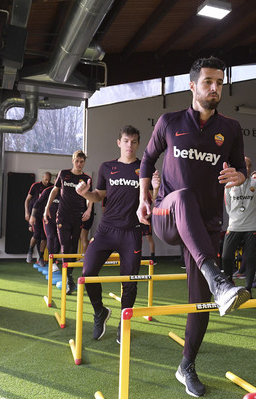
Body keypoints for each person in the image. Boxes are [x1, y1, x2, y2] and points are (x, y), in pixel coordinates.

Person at [137, 56, 250, 397]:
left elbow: (241, 169)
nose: (215, 88)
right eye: (208, 82)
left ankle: (186, 364)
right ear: (192, 86)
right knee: (183, 196)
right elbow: (146, 160)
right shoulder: (169, 121)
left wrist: (239, 176)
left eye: (219, 82)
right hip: (166, 215)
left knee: (200, 303)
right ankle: (219, 279)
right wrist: (144, 197)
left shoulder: (230, 129)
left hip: (206, 225)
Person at [75, 125, 160, 343]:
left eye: (133, 142)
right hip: (106, 230)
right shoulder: (107, 167)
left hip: (131, 232)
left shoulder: (145, 168)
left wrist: (157, 189)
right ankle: (100, 311)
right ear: (119, 142)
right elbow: (98, 195)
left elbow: (152, 202)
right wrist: (86, 194)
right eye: (125, 141)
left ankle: (124, 320)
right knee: (88, 271)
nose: (129, 145)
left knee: (129, 281)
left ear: (138, 144)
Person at [44, 151, 93, 294]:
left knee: (73, 247)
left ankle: (69, 276)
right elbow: (55, 190)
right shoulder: (63, 174)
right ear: (72, 161)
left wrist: (89, 209)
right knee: (65, 246)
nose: (79, 164)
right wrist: (47, 207)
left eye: (82, 162)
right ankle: (68, 279)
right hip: (63, 216)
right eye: (77, 161)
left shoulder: (86, 178)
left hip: (77, 217)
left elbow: (89, 196)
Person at [221, 156, 256, 297]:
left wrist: (253, 220)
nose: (245, 168)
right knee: (226, 256)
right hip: (234, 225)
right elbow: (227, 206)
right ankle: (229, 284)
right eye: (242, 165)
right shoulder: (229, 184)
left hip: (252, 226)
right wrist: (236, 218)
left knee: (251, 258)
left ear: (250, 167)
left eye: (247, 165)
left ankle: (248, 289)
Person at [24, 172, 52, 263]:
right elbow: (27, 200)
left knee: (44, 236)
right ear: (42, 177)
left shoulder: (51, 187)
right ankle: (30, 252)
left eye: (49, 180)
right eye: (45, 179)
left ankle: (40, 257)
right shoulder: (35, 186)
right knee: (36, 234)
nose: (47, 181)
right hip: (35, 214)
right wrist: (27, 212)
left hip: (45, 215)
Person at [32, 185, 60, 271]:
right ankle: (53, 262)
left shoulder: (64, 192)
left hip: (60, 220)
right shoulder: (47, 191)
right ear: (56, 182)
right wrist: (32, 216)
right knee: (50, 237)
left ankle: (54, 260)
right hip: (48, 219)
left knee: (58, 240)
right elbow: (37, 203)